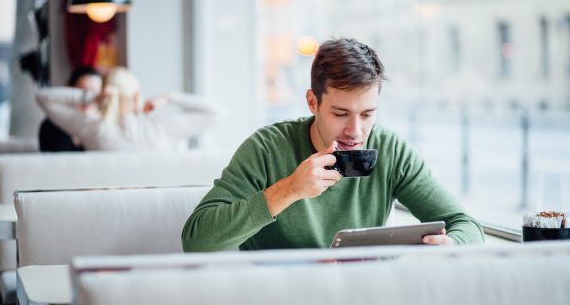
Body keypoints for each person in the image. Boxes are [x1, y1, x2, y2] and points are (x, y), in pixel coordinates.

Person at [181, 38, 484, 251]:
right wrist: (288, 190)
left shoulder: (391, 151)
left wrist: (449, 245)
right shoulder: (265, 149)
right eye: (340, 114)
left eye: (368, 114)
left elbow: (466, 225)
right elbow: (197, 241)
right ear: (313, 102)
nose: (356, 130)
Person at [35, 67, 221, 151]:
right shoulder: (160, 129)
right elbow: (217, 114)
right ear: (136, 97)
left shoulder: (92, 129)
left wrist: (93, 97)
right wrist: (169, 97)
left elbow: (43, 98)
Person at [38, 66, 102, 152]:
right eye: (83, 93)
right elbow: (41, 96)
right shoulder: (51, 126)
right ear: (70, 92)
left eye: (95, 94)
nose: (90, 100)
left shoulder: (103, 127)